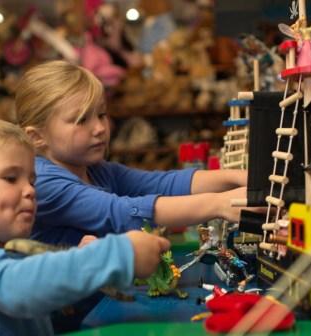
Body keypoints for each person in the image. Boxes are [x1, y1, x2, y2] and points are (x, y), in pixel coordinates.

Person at [0, 118, 170, 336]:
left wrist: (83, 272)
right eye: (11, 178)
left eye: (32, 181)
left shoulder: (9, 255)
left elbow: (40, 304)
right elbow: (15, 288)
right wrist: (116, 254)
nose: (29, 190)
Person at [15, 60, 249, 247]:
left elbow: (160, 183)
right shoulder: (42, 183)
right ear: (37, 136)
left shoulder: (96, 170)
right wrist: (219, 204)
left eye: (102, 114)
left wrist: (233, 176)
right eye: (81, 120)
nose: (99, 128)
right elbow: (120, 212)